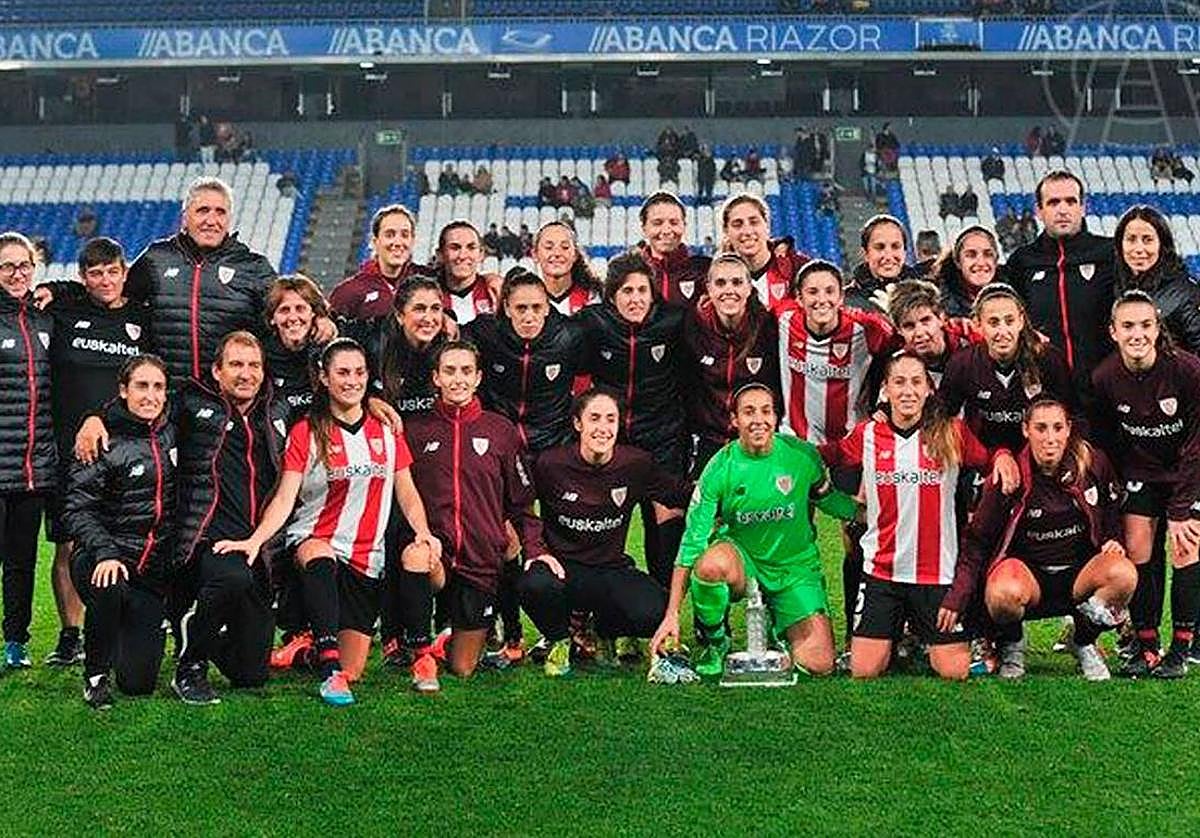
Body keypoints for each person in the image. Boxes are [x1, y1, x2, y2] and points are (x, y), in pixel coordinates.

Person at [214, 339, 439, 705]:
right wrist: (256, 539)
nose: (352, 381)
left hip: (366, 558)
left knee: (355, 668)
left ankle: (305, 651)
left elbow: (408, 492)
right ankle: (329, 673)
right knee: (319, 552)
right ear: (324, 378)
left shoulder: (386, 430)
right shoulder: (306, 431)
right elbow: (285, 497)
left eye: (359, 372)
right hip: (315, 546)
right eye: (342, 373)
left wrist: (423, 532)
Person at [819, 352, 1018, 680]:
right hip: (882, 573)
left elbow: (988, 459)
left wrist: (1003, 455)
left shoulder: (951, 432)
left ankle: (934, 639)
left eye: (916, 382)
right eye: (899, 382)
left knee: (952, 671)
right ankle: (898, 635)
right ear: (886, 390)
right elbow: (830, 455)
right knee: (864, 670)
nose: (908, 391)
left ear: (928, 389)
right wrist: (785, 451)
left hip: (936, 575)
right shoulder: (868, 434)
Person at [651, 383, 858, 677]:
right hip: (743, 563)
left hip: (794, 569)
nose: (758, 420)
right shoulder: (719, 468)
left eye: (766, 411)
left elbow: (829, 500)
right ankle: (717, 643)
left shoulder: (802, 457)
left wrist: (868, 513)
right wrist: (672, 613)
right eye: (749, 412)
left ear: (775, 417)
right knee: (710, 566)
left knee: (819, 664)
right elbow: (692, 542)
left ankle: (778, 627)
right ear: (735, 420)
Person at [40, 176, 300, 384]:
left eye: (220, 212)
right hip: (168, 400)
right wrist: (59, 290)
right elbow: (110, 292)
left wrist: (319, 320)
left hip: (227, 400)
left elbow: (289, 313)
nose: (211, 220)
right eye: (203, 211)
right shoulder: (157, 258)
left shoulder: (254, 267)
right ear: (185, 216)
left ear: (229, 218)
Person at [401, 341, 550, 691]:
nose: (458, 379)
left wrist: (534, 549)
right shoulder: (415, 430)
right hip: (437, 553)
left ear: (479, 377)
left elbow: (521, 503)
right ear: (436, 377)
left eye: (466, 371)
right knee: (416, 556)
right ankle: (422, 655)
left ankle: (452, 638)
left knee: (463, 668)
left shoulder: (500, 431)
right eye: (449, 371)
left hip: (480, 560)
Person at [522, 389, 690, 676]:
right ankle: (560, 639)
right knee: (533, 583)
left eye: (611, 419)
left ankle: (603, 630)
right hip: (563, 570)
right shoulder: (550, 464)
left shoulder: (635, 464)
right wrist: (536, 550)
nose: (603, 428)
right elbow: (521, 505)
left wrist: (728, 489)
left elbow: (679, 494)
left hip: (610, 569)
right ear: (578, 424)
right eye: (594, 418)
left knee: (656, 612)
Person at [966, 398, 1135, 681]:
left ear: (1068, 429)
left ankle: (1083, 641)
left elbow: (1111, 511)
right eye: (1041, 428)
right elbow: (979, 540)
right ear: (1026, 430)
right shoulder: (1010, 473)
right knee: (1002, 593)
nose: (1050, 438)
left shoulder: (1092, 463)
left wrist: (1113, 538)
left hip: (1079, 575)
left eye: (1057, 428)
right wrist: (964, 605)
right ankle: (1012, 643)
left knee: (1123, 574)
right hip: (1029, 578)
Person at [42, 237, 150, 668]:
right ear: (83, 277)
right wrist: (53, 289)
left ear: (125, 273)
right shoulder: (65, 311)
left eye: (112, 271)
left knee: (123, 539)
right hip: (70, 453)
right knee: (68, 544)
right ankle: (71, 634)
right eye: (95, 273)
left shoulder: (144, 318)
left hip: (126, 454)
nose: (105, 280)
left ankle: (118, 624)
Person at [1091, 290, 1200, 678]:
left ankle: (1181, 650)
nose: (1137, 334)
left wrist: (1181, 509)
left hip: (1190, 471)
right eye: (1128, 326)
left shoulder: (1187, 370)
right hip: (1142, 473)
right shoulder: (1105, 377)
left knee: (1186, 546)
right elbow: (1107, 442)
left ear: (1157, 329)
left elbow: (1197, 444)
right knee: (1137, 546)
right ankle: (1148, 645)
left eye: (1145, 325)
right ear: (1113, 332)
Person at [64, 355, 175, 708]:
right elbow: (76, 509)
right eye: (141, 386)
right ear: (123, 391)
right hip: (101, 559)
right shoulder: (98, 438)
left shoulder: (172, 429)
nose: (150, 395)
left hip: (148, 572)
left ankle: (127, 628)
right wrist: (105, 551)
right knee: (109, 583)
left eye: (158, 387)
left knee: (138, 684)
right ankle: (95, 676)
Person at [577, 251, 689, 588]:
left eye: (642, 290)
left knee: (666, 529)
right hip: (614, 443)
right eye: (627, 291)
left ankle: (664, 608)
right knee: (602, 527)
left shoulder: (674, 322)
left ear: (653, 293)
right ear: (612, 296)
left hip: (663, 440)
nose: (636, 298)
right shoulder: (593, 322)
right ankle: (600, 608)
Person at [0, 231, 56, 669]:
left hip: (34, 467)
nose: (17, 273)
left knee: (21, 562)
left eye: (24, 265)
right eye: (7, 266)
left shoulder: (46, 319)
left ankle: (16, 642)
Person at [1006, 170, 1115, 396]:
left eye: (1070, 201)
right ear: (1039, 210)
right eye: (1053, 202)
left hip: (1103, 391)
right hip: (1045, 393)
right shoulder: (1022, 261)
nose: (1063, 210)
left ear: (1083, 208)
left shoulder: (1110, 253)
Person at [940, 283, 1076, 455]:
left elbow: (1073, 415)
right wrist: (988, 456)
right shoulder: (962, 364)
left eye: (1009, 321)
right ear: (978, 324)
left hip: (1041, 455)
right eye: (993, 323)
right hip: (987, 457)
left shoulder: (1048, 360)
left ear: (1021, 321)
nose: (1002, 332)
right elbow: (943, 418)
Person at [682, 253, 781, 477]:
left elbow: (778, 386)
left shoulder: (767, 328)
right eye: (720, 283)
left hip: (755, 441)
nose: (729, 290)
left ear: (749, 288)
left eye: (737, 282)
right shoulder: (693, 326)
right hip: (708, 442)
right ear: (709, 289)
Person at [778, 260, 894, 445]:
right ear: (799, 298)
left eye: (830, 291)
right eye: (812, 292)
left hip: (851, 442)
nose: (822, 300)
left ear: (841, 297)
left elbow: (901, 356)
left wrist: (885, 405)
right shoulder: (783, 319)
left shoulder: (866, 328)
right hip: (796, 442)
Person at [1113, 204, 1200, 355]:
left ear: (1162, 245)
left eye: (1147, 240)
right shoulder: (1111, 285)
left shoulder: (1185, 291)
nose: (1139, 249)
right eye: (1131, 239)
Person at [329, 204, 426, 321]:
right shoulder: (348, 292)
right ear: (375, 242)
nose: (398, 242)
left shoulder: (426, 282)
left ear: (412, 241)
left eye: (405, 235)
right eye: (389, 235)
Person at [720, 193, 810, 312]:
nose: (747, 231)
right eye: (737, 225)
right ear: (726, 232)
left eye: (754, 222)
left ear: (767, 225)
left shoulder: (798, 268)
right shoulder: (719, 278)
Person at [887, 279, 974, 386]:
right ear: (899, 331)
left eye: (925, 321)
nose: (919, 333)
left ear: (941, 319)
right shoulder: (898, 366)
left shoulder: (973, 350)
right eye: (909, 326)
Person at [637, 192, 711, 307]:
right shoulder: (630, 272)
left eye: (674, 223)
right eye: (657, 223)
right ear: (644, 228)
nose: (666, 230)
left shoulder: (704, 269)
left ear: (684, 226)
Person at [844, 214, 923, 315]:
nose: (888, 256)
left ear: (904, 252)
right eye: (879, 247)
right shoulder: (845, 302)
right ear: (865, 254)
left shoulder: (927, 295)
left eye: (895, 246)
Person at [432, 220, 502, 326]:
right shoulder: (428, 295)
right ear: (440, 255)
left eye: (471, 248)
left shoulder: (496, 292)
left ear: (481, 254)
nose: (463, 255)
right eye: (455, 248)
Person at [530, 221, 602, 316]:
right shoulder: (526, 299)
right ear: (535, 255)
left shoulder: (592, 298)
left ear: (575, 254)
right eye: (549, 247)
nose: (557, 253)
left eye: (565, 247)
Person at [932, 225, 1002, 318]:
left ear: (996, 261)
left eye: (988, 254)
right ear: (958, 262)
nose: (981, 262)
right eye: (971, 255)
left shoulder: (1012, 293)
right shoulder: (937, 303)